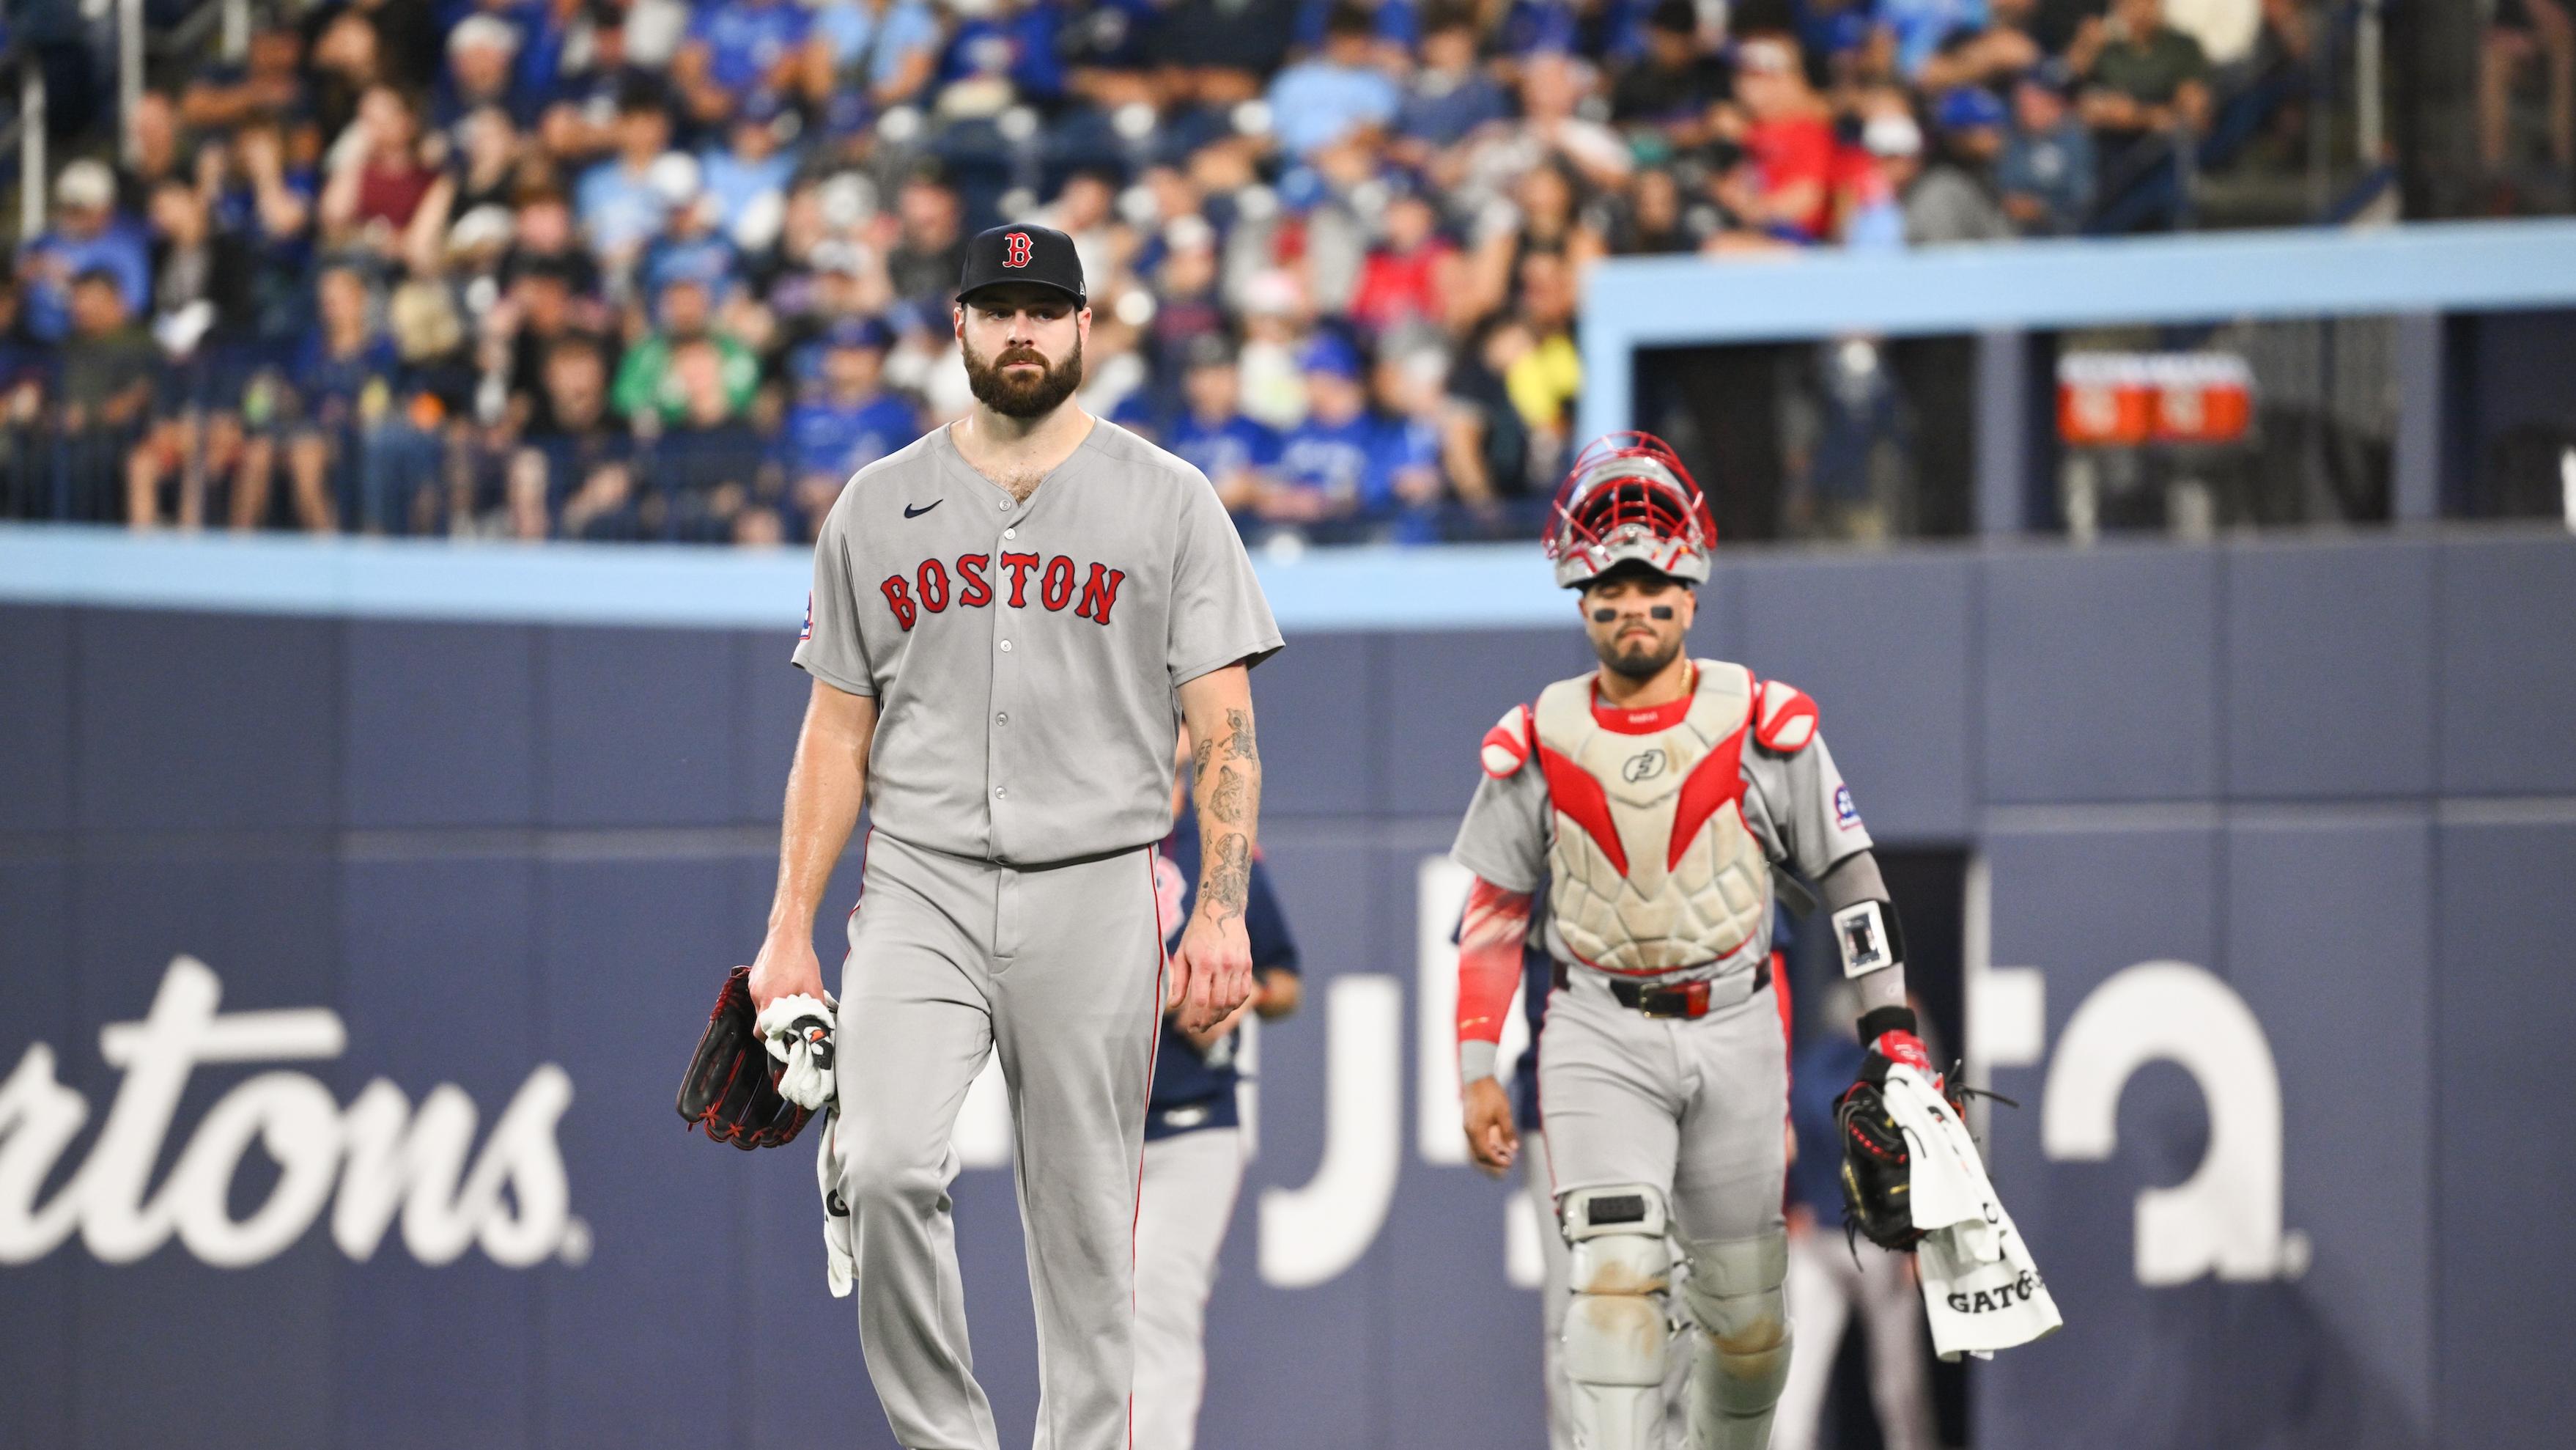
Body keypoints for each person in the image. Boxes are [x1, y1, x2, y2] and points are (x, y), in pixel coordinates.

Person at [746, 223, 1283, 1450]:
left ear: (1088, 328)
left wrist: (1218, 907)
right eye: (1000, 309)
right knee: (881, 1170)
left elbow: (1228, 726)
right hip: (922, 883)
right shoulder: (878, 507)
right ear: (960, 329)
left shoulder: (1170, 499)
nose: (1024, 331)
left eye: (1047, 309)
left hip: (1098, 883)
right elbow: (833, 737)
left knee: (1093, 1233)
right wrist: (789, 928)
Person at [1450, 433, 1929, 1450]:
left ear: (1693, 587)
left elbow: (1850, 879)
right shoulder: (1533, 738)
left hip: (1735, 1023)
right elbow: (1491, 912)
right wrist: (1474, 1065)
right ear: (1577, 595)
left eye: (1653, 582)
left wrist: (1891, 1032)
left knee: (1746, 1331)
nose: (1633, 605)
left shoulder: (1763, 721)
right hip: (1593, 1027)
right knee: (1613, 1291)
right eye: (1610, 587)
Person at [1133, 728, 1304, 1450]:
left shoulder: (1215, 846)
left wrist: (1235, 992)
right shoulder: (1077, 848)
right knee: (1087, 1316)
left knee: (1158, 1309)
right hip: (1086, 1119)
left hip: (1193, 1113)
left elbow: (1285, 982)